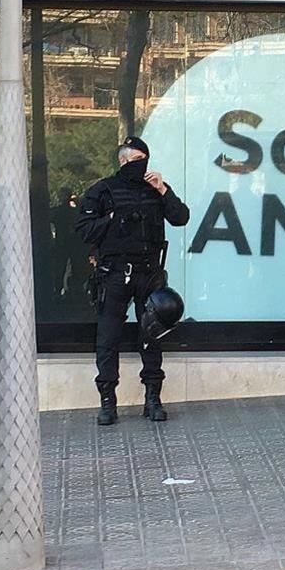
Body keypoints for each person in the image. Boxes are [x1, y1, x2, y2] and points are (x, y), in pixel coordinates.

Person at [76, 136, 190, 425]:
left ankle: (152, 397)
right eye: (136, 161)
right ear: (123, 160)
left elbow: (181, 217)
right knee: (108, 337)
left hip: (149, 273)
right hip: (114, 273)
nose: (141, 166)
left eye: (144, 160)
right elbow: (84, 230)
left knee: (151, 336)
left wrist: (163, 190)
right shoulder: (102, 191)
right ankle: (107, 400)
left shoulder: (155, 189)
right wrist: (111, 220)